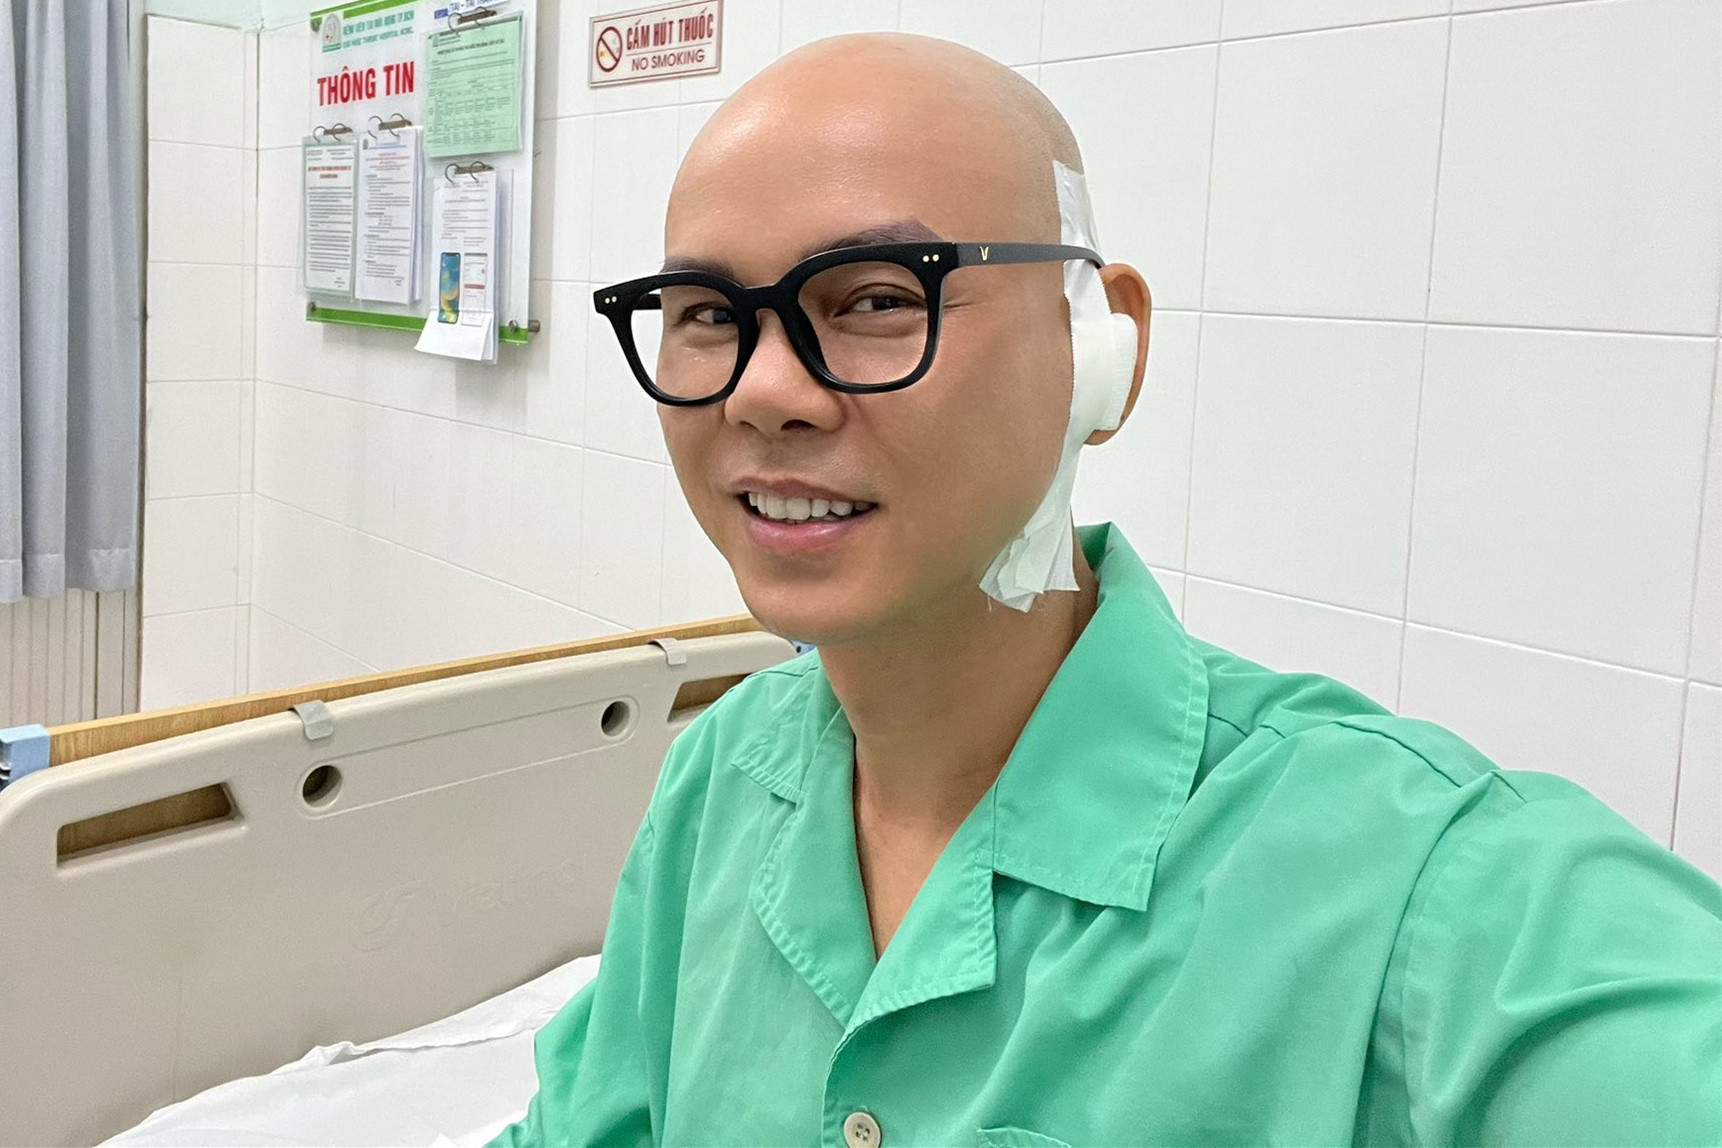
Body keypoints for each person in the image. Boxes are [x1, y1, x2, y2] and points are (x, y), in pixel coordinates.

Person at [492, 32, 1722, 1148]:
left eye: (875, 298)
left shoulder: (1412, 890)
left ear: (1101, 345)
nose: (764, 390)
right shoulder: (724, 780)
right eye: (710, 314)